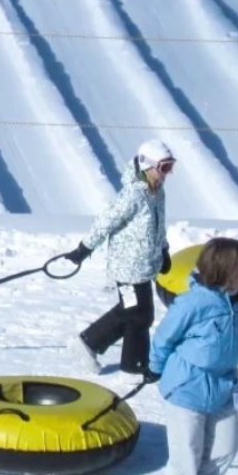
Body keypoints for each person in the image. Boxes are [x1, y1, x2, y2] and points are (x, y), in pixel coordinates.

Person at [149, 237, 238, 475]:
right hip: (187, 386)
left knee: (226, 450)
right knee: (186, 460)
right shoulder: (193, 303)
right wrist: (154, 368)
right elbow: (164, 337)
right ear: (226, 268)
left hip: (225, 385)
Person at [63, 139, 175, 376]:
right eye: (163, 168)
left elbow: (158, 226)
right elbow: (106, 222)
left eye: (170, 167)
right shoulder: (133, 195)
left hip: (145, 265)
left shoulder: (157, 192)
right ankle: (88, 343)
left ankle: (131, 364)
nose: (167, 174)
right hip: (128, 267)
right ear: (147, 166)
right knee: (136, 312)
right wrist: (84, 249)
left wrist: (164, 250)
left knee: (138, 313)